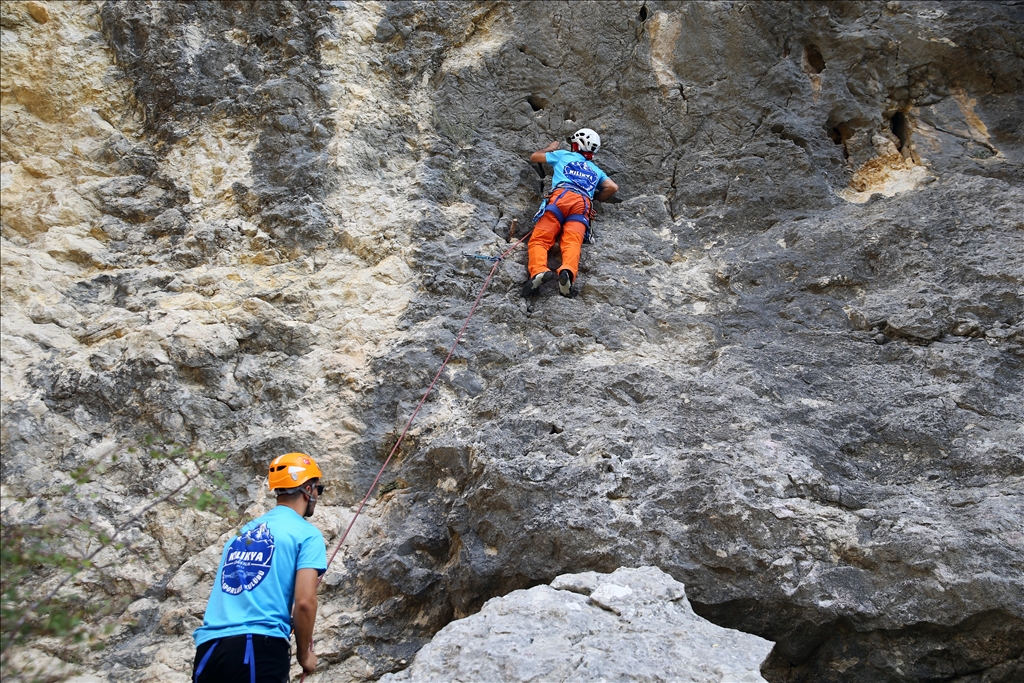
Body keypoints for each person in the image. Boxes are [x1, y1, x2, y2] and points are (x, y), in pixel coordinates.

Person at [192, 452, 328, 683]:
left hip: (209, 651)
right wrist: (304, 655)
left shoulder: (241, 534)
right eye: (318, 488)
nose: (317, 494)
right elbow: (304, 602)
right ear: (307, 489)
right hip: (256, 648)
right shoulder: (306, 534)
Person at [523, 127, 619, 298]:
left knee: (540, 239)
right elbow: (612, 187)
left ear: (576, 144)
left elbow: (534, 156)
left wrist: (549, 148)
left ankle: (539, 271)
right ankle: (567, 271)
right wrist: (596, 197)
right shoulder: (596, 170)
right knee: (572, 243)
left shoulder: (564, 155)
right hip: (583, 204)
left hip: (561, 197)